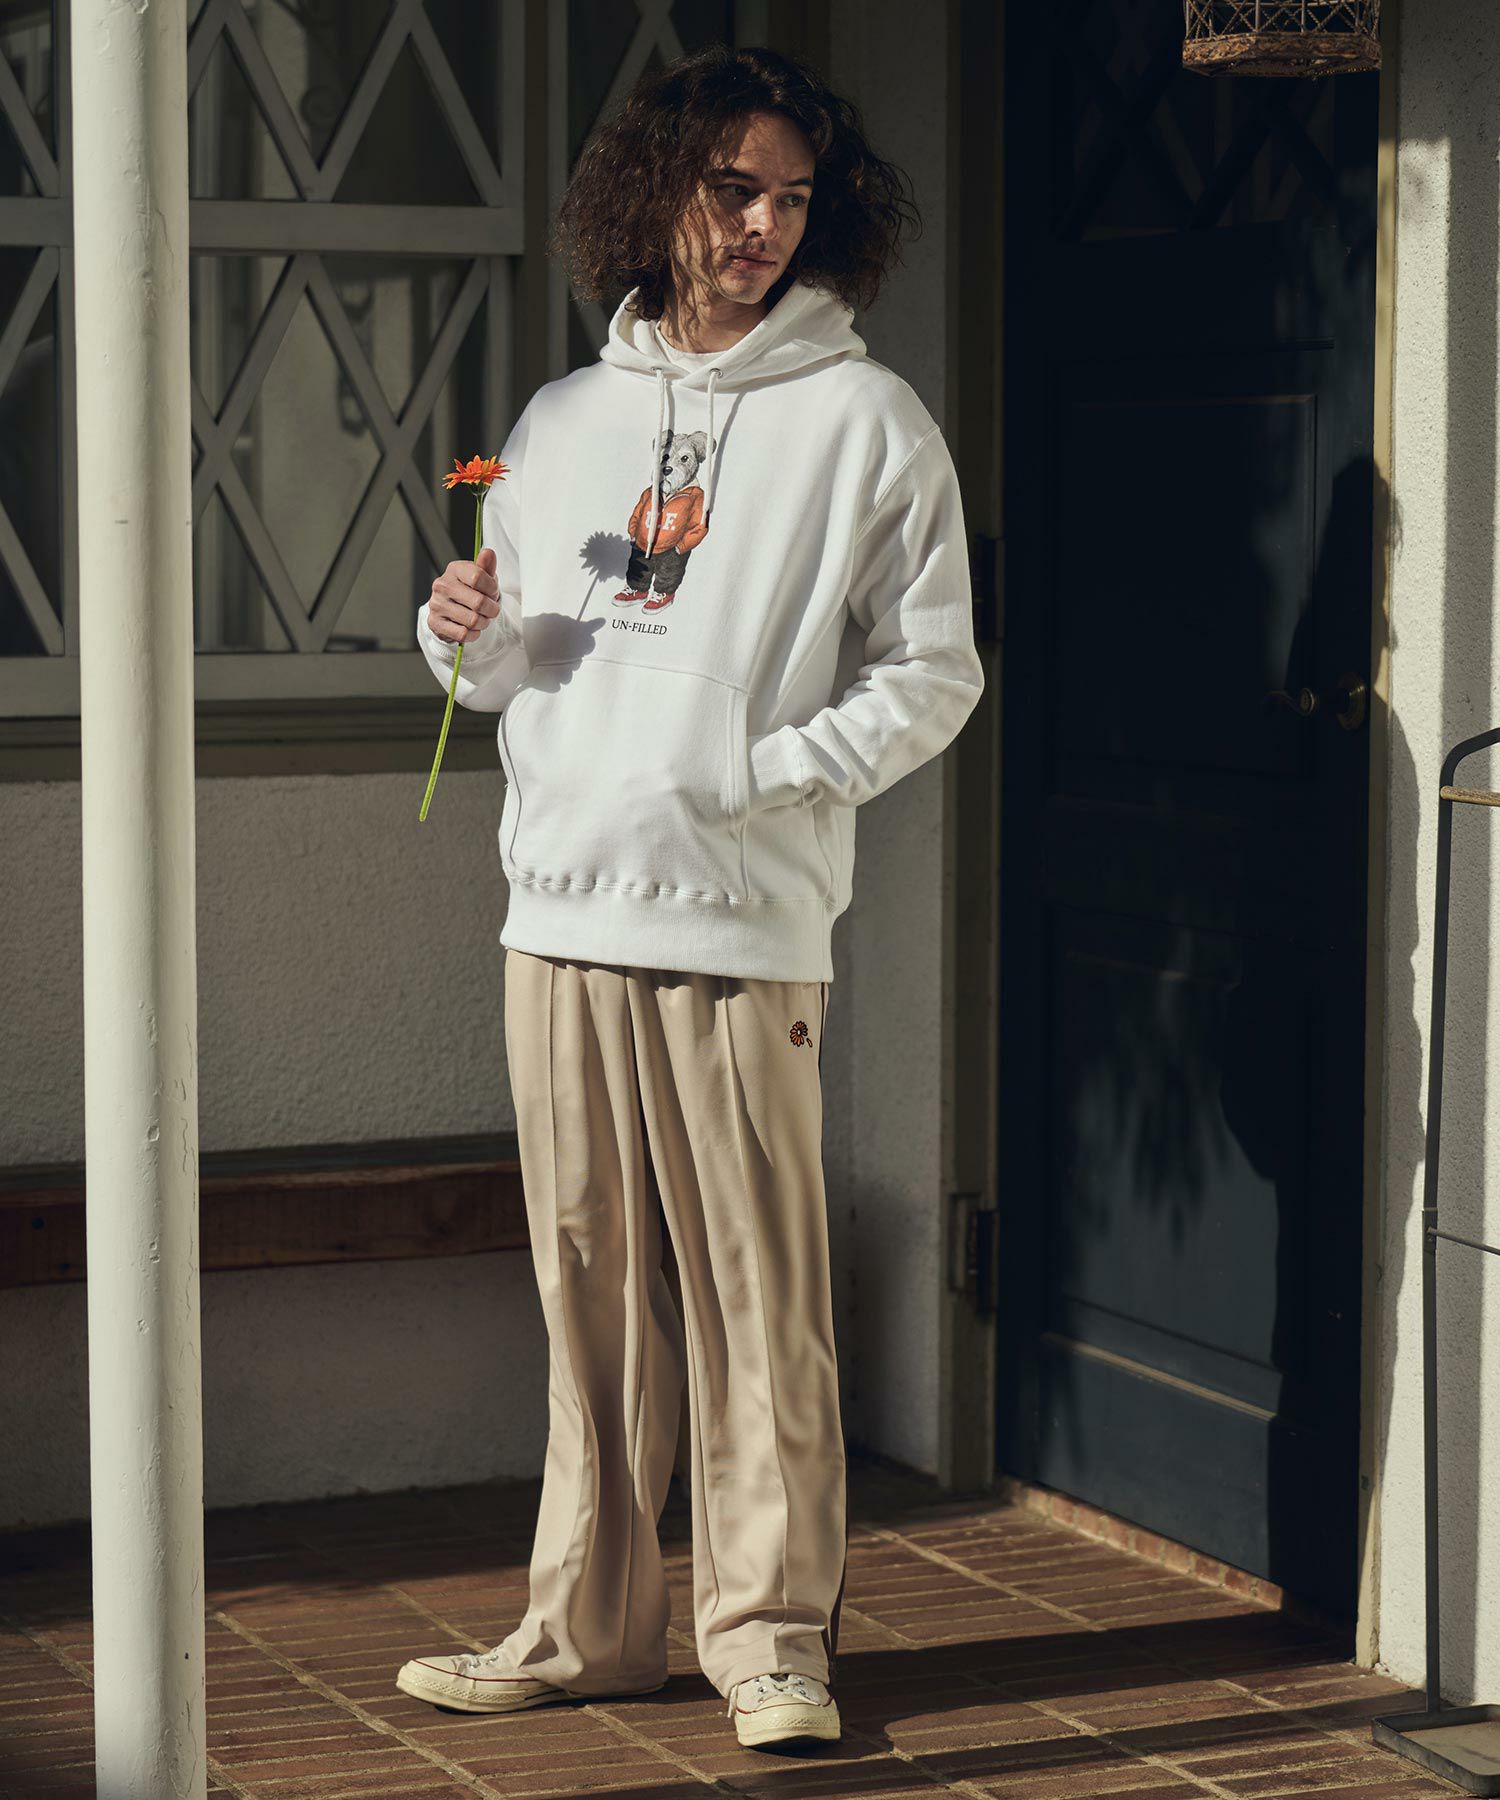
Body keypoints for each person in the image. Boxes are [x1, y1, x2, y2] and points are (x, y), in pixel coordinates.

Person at [395, 42, 984, 1752]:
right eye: (734, 188)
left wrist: (768, 771)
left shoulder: (868, 422)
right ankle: (584, 1629)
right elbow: (512, 671)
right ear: (656, 189)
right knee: (586, 1298)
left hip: (737, 917)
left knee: (755, 1298)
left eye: (793, 196)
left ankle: (771, 1641)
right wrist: (460, 636)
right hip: (558, 909)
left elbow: (935, 674)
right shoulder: (562, 420)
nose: (761, 225)